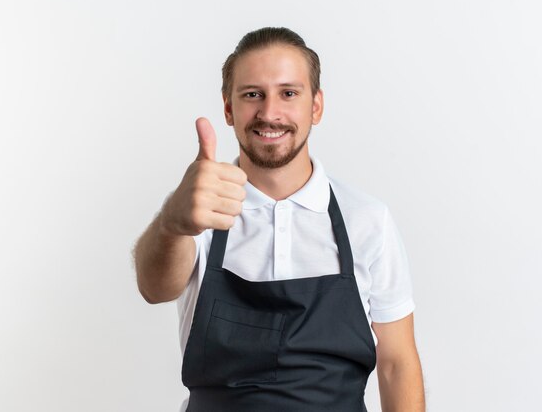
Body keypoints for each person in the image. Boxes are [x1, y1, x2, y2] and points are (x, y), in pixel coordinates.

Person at [133, 27, 425, 412]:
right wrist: (173, 222)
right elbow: (155, 289)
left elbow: (396, 364)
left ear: (315, 106)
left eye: (288, 93)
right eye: (252, 94)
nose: (269, 113)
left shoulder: (366, 220)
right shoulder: (199, 213)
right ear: (228, 108)